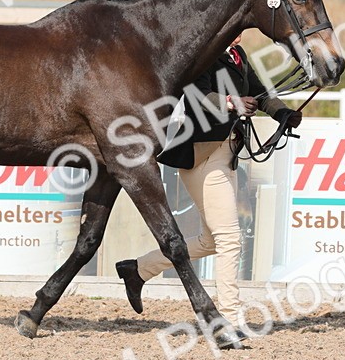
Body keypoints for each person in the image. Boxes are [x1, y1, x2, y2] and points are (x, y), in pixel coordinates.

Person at [116, 35, 300, 327]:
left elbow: (260, 93)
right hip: (202, 155)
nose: (239, 34)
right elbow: (196, 96)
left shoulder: (237, 55)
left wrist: (283, 113)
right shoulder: (203, 54)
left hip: (226, 156)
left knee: (211, 241)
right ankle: (229, 318)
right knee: (229, 239)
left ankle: (138, 270)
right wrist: (232, 103)